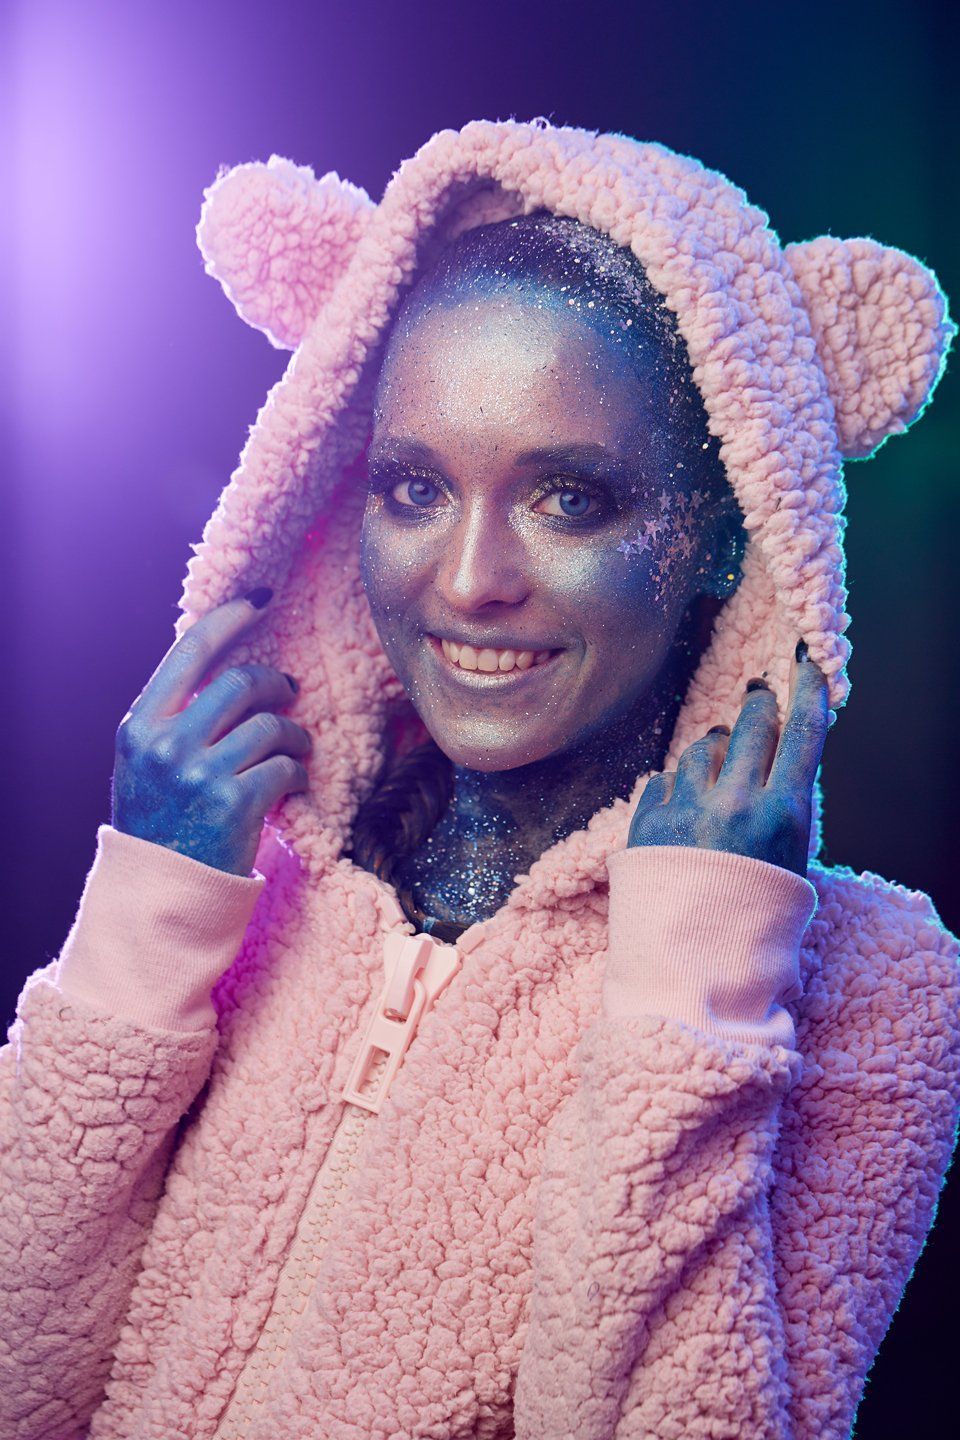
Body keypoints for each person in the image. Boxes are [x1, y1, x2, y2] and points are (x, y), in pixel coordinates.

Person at [2, 118, 958, 1440]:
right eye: (414, 488)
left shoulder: (871, 991)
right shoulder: (253, 876)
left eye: (569, 499)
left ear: (726, 535)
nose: (466, 581)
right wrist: (144, 925)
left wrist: (693, 992)